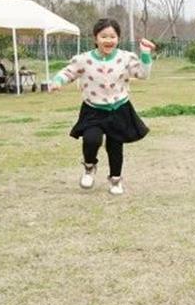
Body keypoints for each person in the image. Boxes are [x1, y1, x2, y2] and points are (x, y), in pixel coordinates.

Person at [49, 18, 154, 195]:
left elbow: (143, 74)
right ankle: (89, 167)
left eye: (112, 36)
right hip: (93, 109)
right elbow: (68, 72)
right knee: (91, 140)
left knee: (115, 147)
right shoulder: (84, 59)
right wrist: (57, 81)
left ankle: (115, 180)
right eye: (104, 36)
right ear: (95, 38)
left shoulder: (125, 58)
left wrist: (145, 53)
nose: (108, 40)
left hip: (119, 109)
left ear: (118, 38)